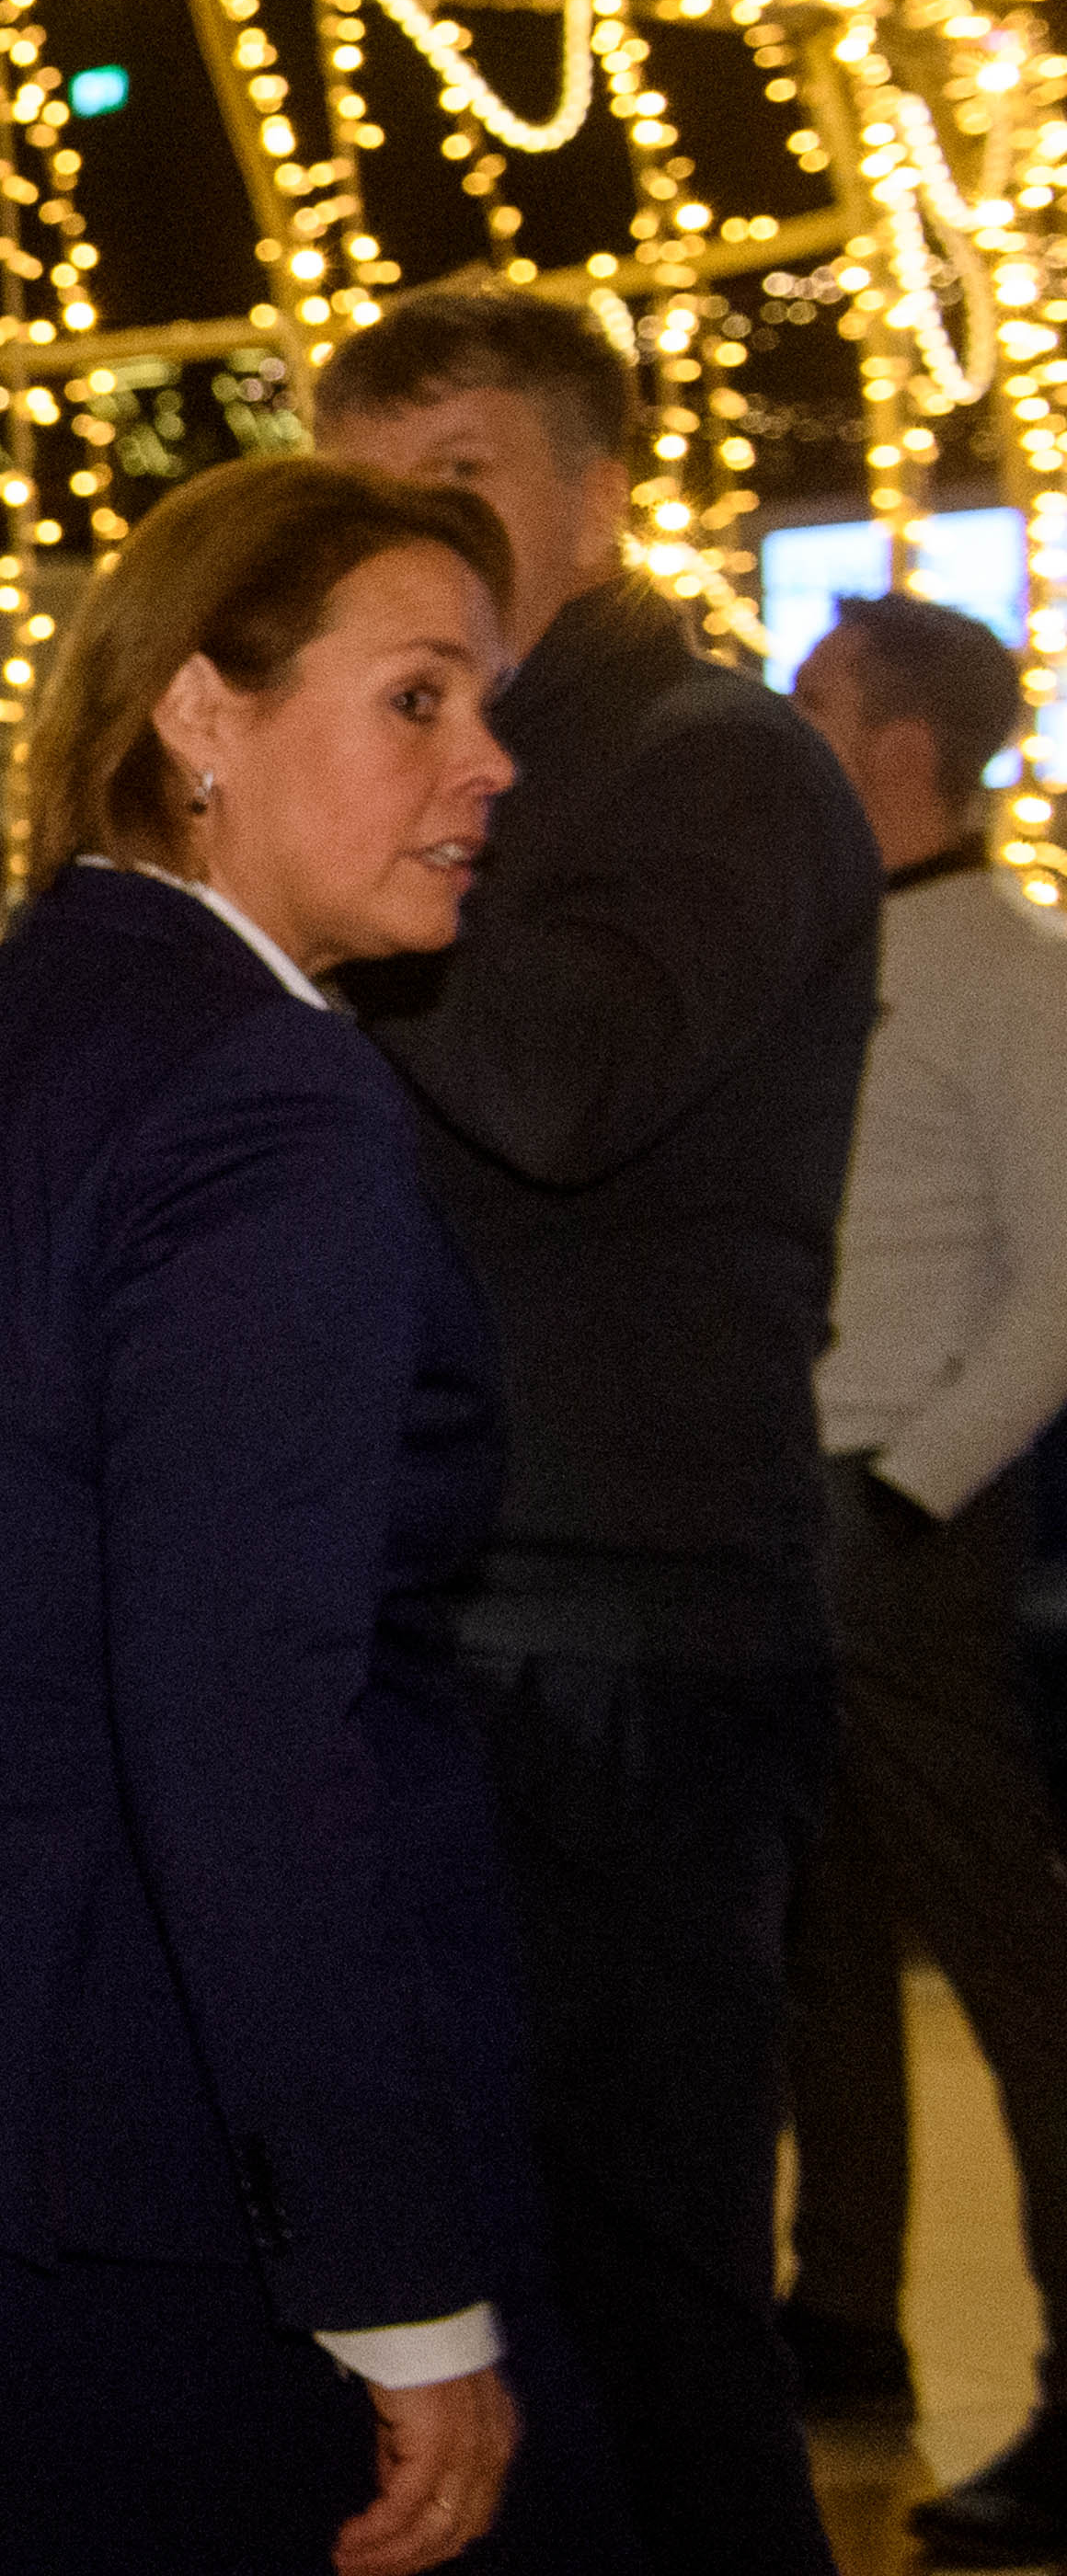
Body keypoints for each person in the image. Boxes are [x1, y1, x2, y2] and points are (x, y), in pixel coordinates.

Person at [0, 455, 571, 2576]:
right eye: (417, 695)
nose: (489, 761)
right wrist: (391, 2274)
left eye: (488, 702)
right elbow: (246, 1720)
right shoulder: (266, 1093)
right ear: (202, 710)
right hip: (164, 2168)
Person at [316, 281, 882, 2576]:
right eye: (358, 490)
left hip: (631, 1638)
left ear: (598, 493)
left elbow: (563, 1084)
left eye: (455, 478)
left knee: (642, 2308)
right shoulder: (464, 769)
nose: (401, 535)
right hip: (444, 1610)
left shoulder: (713, 759)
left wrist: (347, 862)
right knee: (455, 2308)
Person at [771, 592, 1067, 2557]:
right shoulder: (846, 944)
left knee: (1011, 1966)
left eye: (812, 697)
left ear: (894, 745)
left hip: (902, 1525)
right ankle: (843, 2313)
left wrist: (909, 1492)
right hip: (804, 1509)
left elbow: (1060, 1278)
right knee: (813, 1945)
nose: (784, 721)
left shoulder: (1009, 970)